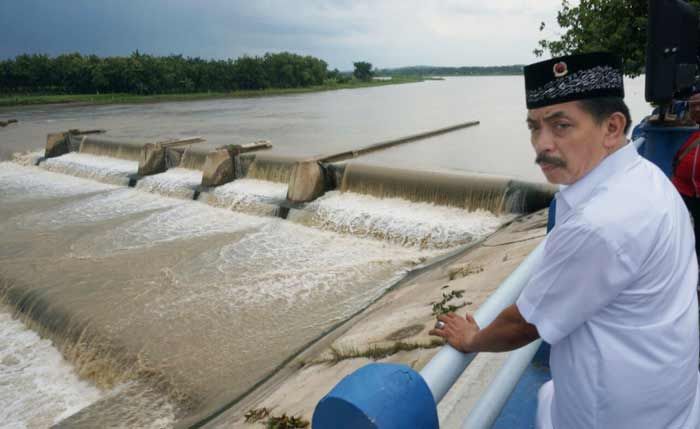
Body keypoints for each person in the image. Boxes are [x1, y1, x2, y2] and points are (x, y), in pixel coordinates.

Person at [430, 52, 700, 429]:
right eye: (534, 127)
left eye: (561, 127)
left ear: (612, 128)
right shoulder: (648, 178)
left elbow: (525, 323)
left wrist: (472, 339)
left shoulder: (599, 223)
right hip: (668, 397)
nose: (542, 145)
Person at [672, 90, 700, 273]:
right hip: (683, 190)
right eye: (693, 105)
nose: (696, 109)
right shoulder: (689, 131)